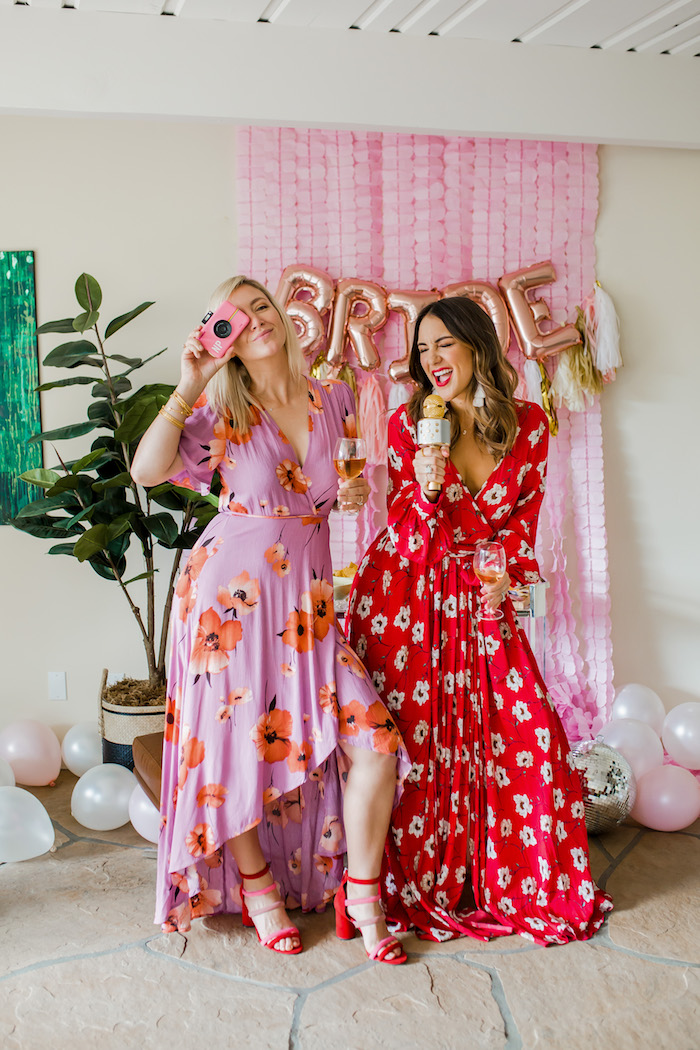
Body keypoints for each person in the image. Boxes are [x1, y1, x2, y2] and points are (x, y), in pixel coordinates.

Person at [131, 276, 410, 962]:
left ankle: (363, 893)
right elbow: (146, 470)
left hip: (307, 607)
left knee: (376, 744)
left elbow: (347, 492)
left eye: (262, 305)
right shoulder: (225, 407)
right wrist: (190, 380)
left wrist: (348, 494)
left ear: (282, 320)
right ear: (220, 333)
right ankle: (256, 884)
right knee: (236, 750)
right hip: (227, 600)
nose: (253, 318)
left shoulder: (336, 396)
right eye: (235, 312)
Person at [346, 296, 612, 945]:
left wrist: (509, 584)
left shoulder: (527, 425)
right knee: (423, 746)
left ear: (476, 345)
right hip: (409, 600)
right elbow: (404, 536)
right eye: (423, 349)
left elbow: (523, 531)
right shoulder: (412, 425)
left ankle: (505, 875)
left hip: (483, 599)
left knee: (526, 736)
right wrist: (429, 488)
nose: (433, 360)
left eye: (445, 344)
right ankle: (404, 880)